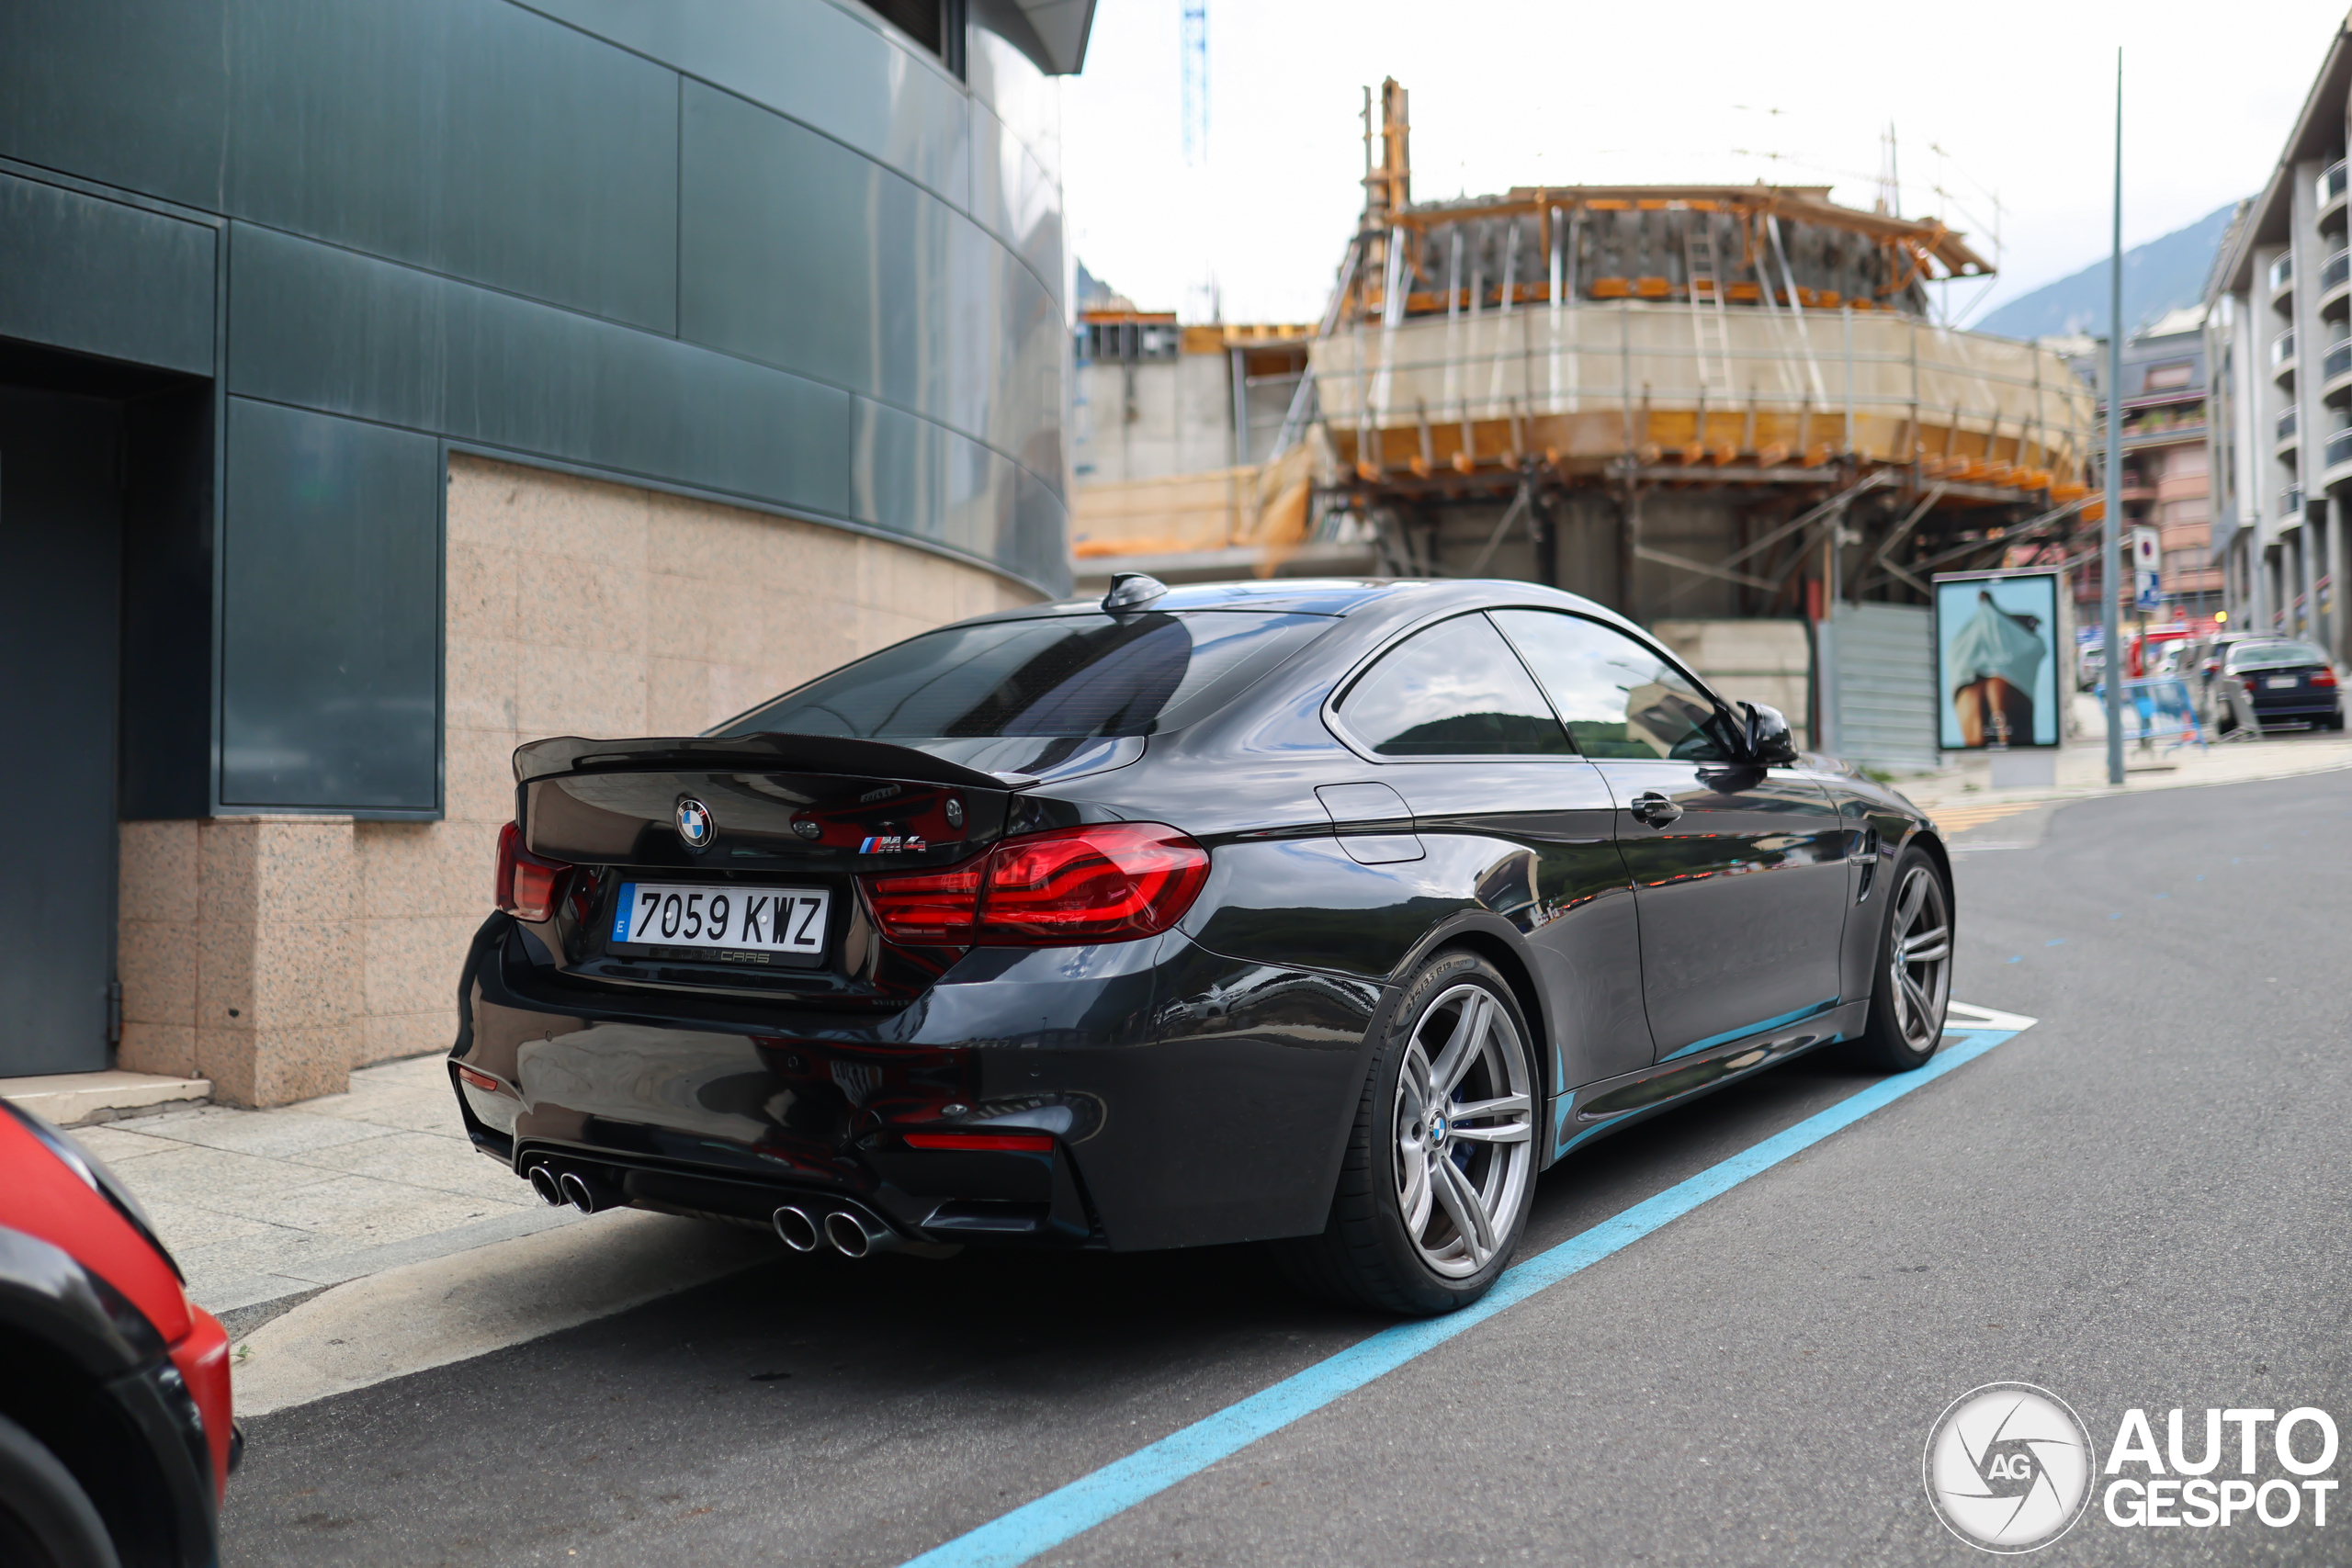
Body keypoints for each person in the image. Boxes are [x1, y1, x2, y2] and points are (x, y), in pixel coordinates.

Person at [1948, 589, 2045, 748]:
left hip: (1965, 678)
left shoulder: (1964, 642)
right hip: (2006, 669)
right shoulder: (1999, 627)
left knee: (1977, 753)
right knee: (2018, 750)